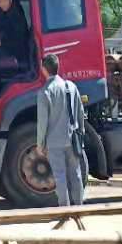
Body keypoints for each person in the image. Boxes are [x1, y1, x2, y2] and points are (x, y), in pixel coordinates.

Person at [36, 53, 89, 206]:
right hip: (73, 139)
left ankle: (64, 210)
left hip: (54, 142)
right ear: (57, 67)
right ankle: (78, 208)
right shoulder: (71, 86)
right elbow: (80, 113)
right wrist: (81, 135)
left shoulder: (45, 92)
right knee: (76, 174)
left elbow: (42, 122)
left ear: (44, 69)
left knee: (60, 176)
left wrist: (40, 144)